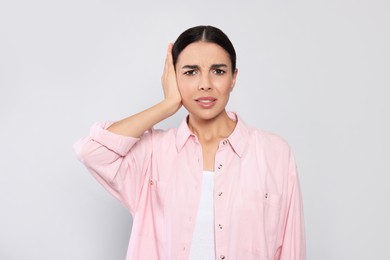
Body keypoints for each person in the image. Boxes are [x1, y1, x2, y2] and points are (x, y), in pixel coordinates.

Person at [74, 25, 306, 260]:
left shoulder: (274, 154)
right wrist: (167, 105)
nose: (205, 84)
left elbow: (291, 249)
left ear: (234, 77)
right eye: (190, 72)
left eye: (218, 71)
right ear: (173, 77)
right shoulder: (153, 153)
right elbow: (91, 151)